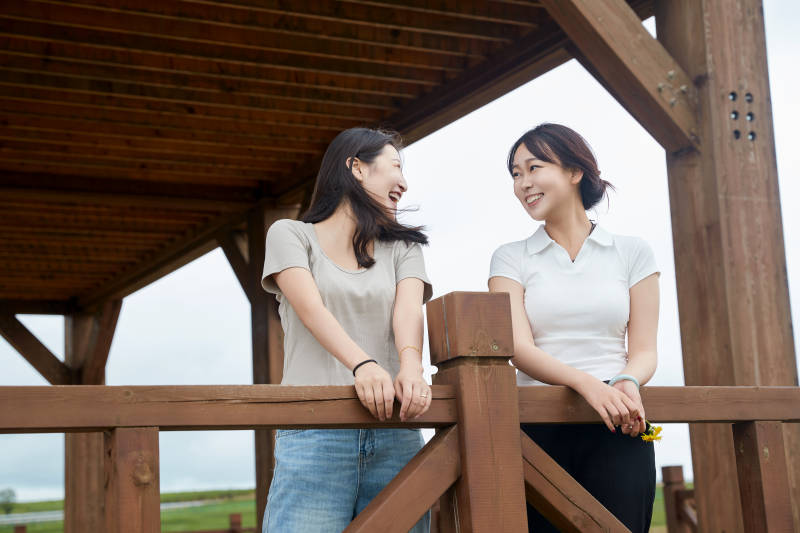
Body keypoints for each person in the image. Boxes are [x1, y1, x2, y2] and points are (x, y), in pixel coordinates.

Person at [488, 123, 659, 532]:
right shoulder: (509, 258)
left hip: (619, 420)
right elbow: (518, 348)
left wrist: (627, 381)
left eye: (534, 167)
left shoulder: (633, 251)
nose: (523, 183)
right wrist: (587, 384)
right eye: (515, 173)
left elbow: (645, 351)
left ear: (574, 171)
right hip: (537, 428)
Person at [260, 127, 433, 533]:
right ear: (356, 167)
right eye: (394, 167)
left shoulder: (404, 248)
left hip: (395, 430)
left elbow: (408, 309)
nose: (404, 183)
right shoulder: (290, 235)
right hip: (315, 431)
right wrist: (364, 365)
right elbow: (310, 308)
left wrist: (411, 367)